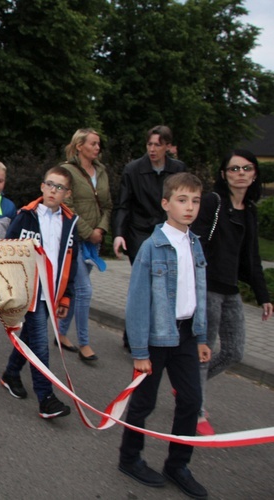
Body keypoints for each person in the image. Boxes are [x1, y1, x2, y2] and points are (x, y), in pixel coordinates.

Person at [119, 173, 210, 500]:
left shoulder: (195, 243)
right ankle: (129, 458)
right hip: (156, 337)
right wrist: (140, 350)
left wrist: (201, 338)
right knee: (144, 402)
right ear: (165, 203)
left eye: (195, 200)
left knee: (191, 400)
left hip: (185, 336)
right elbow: (138, 302)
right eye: (182, 200)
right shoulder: (152, 247)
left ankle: (178, 464)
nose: (189, 207)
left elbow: (198, 293)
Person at [191, 149, 272, 436]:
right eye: (234, 169)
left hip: (232, 290)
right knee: (204, 350)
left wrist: (263, 296)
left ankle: (188, 385)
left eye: (246, 168)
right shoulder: (214, 202)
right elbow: (195, 241)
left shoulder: (249, 211)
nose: (241, 174)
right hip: (208, 287)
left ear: (254, 174)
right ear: (224, 174)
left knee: (235, 352)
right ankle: (196, 410)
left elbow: (251, 258)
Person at [0, 166, 77, 419]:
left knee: (31, 339)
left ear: (67, 193)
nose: (53, 190)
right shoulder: (26, 216)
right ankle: (46, 398)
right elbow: (7, 250)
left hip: (53, 293)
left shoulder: (69, 221)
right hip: (31, 291)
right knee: (41, 345)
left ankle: (11, 374)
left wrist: (66, 296)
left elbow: (70, 261)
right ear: (42, 186)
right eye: (50, 184)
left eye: (60, 187)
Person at [58, 128, 112, 361]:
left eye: (99, 144)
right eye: (93, 143)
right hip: (75, 239)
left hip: (95, 240)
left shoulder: (101, 171)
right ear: (79, 146)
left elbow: (108, 205)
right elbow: (67, 206)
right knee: (84, 290)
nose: (97, 147)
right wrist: (88, 232)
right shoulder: (67, 171)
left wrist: (101, 229)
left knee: (78, 290)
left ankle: (60, 333)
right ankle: (84, 344)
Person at [113, 126, 186, 262]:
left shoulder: (178, 169)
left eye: (157, 145)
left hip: (169, 232)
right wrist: (119, 234)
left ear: (167, 146)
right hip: (139, 233)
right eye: (149, 144)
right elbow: (122, 205)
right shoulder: (132, 170)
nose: (152, 149)